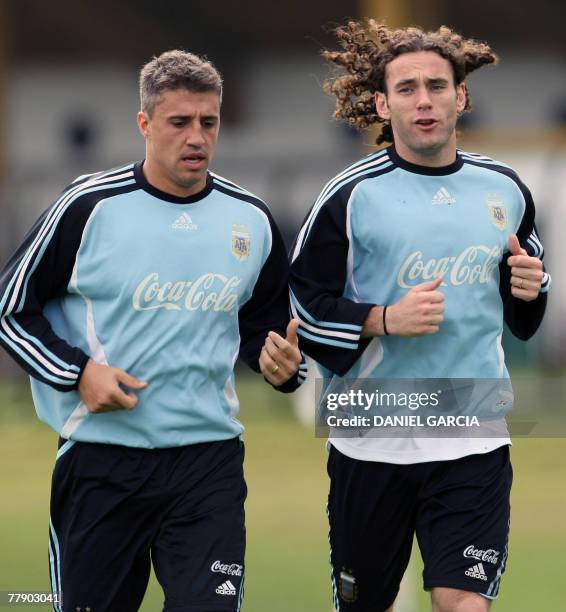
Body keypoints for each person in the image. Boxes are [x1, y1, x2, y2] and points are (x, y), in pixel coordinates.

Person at [0, 50, 306, 611]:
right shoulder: (88, 208)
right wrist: (78, 373)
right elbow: (10, 308)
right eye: (179, 122)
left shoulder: (252, 220)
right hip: (101, 462)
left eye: (208, 123)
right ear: (144, 124)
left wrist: (281, 365)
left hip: (208, 463)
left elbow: (263, 328)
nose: (196, 137)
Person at [289, 21, 550, 612]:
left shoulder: (505, 189)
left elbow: (525, 306)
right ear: (383, 103)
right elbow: (303, 304)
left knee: (465, 602)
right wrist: (382, 319)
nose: (424, 100)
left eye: (437, 85)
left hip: (473, 437)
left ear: (462, 96)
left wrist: (530, 289)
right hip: (369, 441)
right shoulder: (347, 196)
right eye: (407, 88)